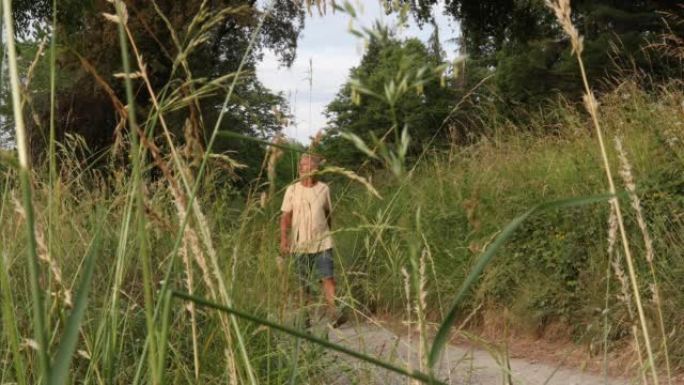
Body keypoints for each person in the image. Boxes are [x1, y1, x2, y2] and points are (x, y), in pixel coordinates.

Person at [280, 154, 344, 327]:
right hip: (299, 244)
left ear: (315, 169)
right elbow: (285, 217)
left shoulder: (324, 189)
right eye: (300, 165)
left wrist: (327, 233)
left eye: (306, 164)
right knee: (303, 282)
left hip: (323, 242)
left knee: (328, 277)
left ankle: (333, 312)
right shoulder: (292, 190)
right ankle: (305, 317)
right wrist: (284, 239)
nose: (301, 167)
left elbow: (328, 214)